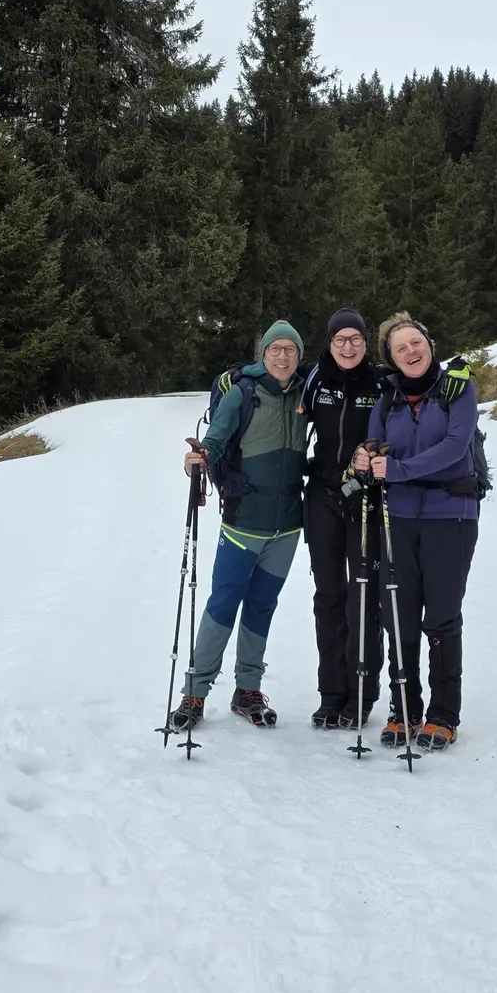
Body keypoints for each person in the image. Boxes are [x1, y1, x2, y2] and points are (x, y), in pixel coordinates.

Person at [169, 320, 309, 730]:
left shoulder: (303, 394)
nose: (282, 356)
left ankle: (248, 689)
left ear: (299, 356)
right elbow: (214, 441)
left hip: (287, 526)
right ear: (263, 353)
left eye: (290, 350)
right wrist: (198, 459)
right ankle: (194, 692)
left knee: (262, 606)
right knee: (223, 604)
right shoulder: (242, 393)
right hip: (243, 522)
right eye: (275, 349)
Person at [353, 315, 480, 752]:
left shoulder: (457, 389)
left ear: (429, 343)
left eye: (416, 342)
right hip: (399, 517)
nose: (411, 351)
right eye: (400, 347)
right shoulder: (386, 397)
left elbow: (455, 447)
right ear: (391, 358)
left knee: (442, 615)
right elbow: (373, 443)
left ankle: (443, 715)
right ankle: (403, 707)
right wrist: (365, 459)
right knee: (399, 613)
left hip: (451, 514)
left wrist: (400, 470)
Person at [298, 309, 385, 730]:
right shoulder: (315, 379)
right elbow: (273, 379)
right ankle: (331, 693)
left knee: (363, 599)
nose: (347, 347)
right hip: (322, 496)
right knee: (328, 596)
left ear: (365, 342)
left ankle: (362, 694)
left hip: (366, 498)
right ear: (329, 343)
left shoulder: (382, 381)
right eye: (339, 340)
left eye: (355, 339)